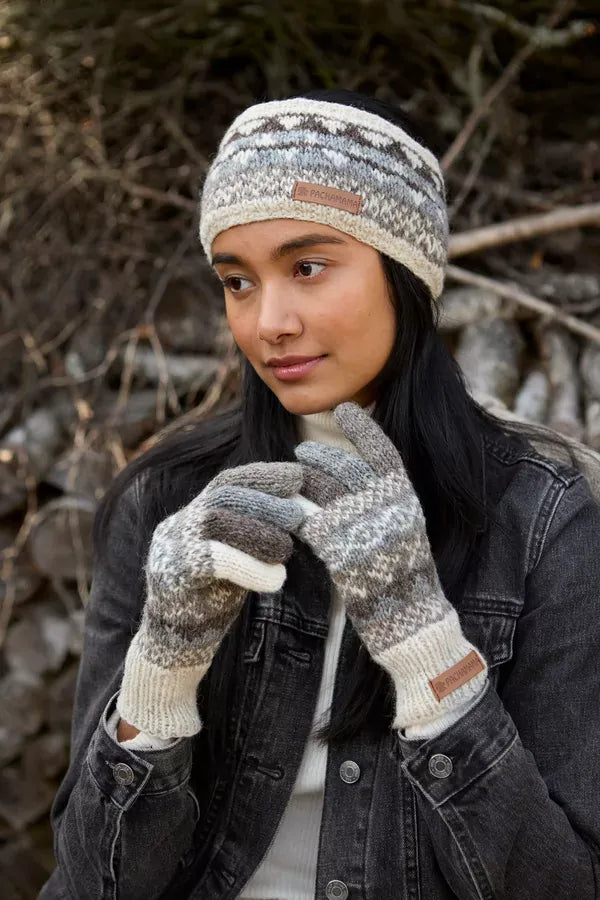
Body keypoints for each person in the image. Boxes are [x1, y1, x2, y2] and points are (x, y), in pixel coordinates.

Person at [39, 89, 600, 900]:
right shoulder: (168, 503)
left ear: (405, 272)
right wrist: (162, 671)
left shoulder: (542, 519)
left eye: (307, 267)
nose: (269, 321)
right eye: (237, 281)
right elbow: (95, 882)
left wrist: (429, 652)